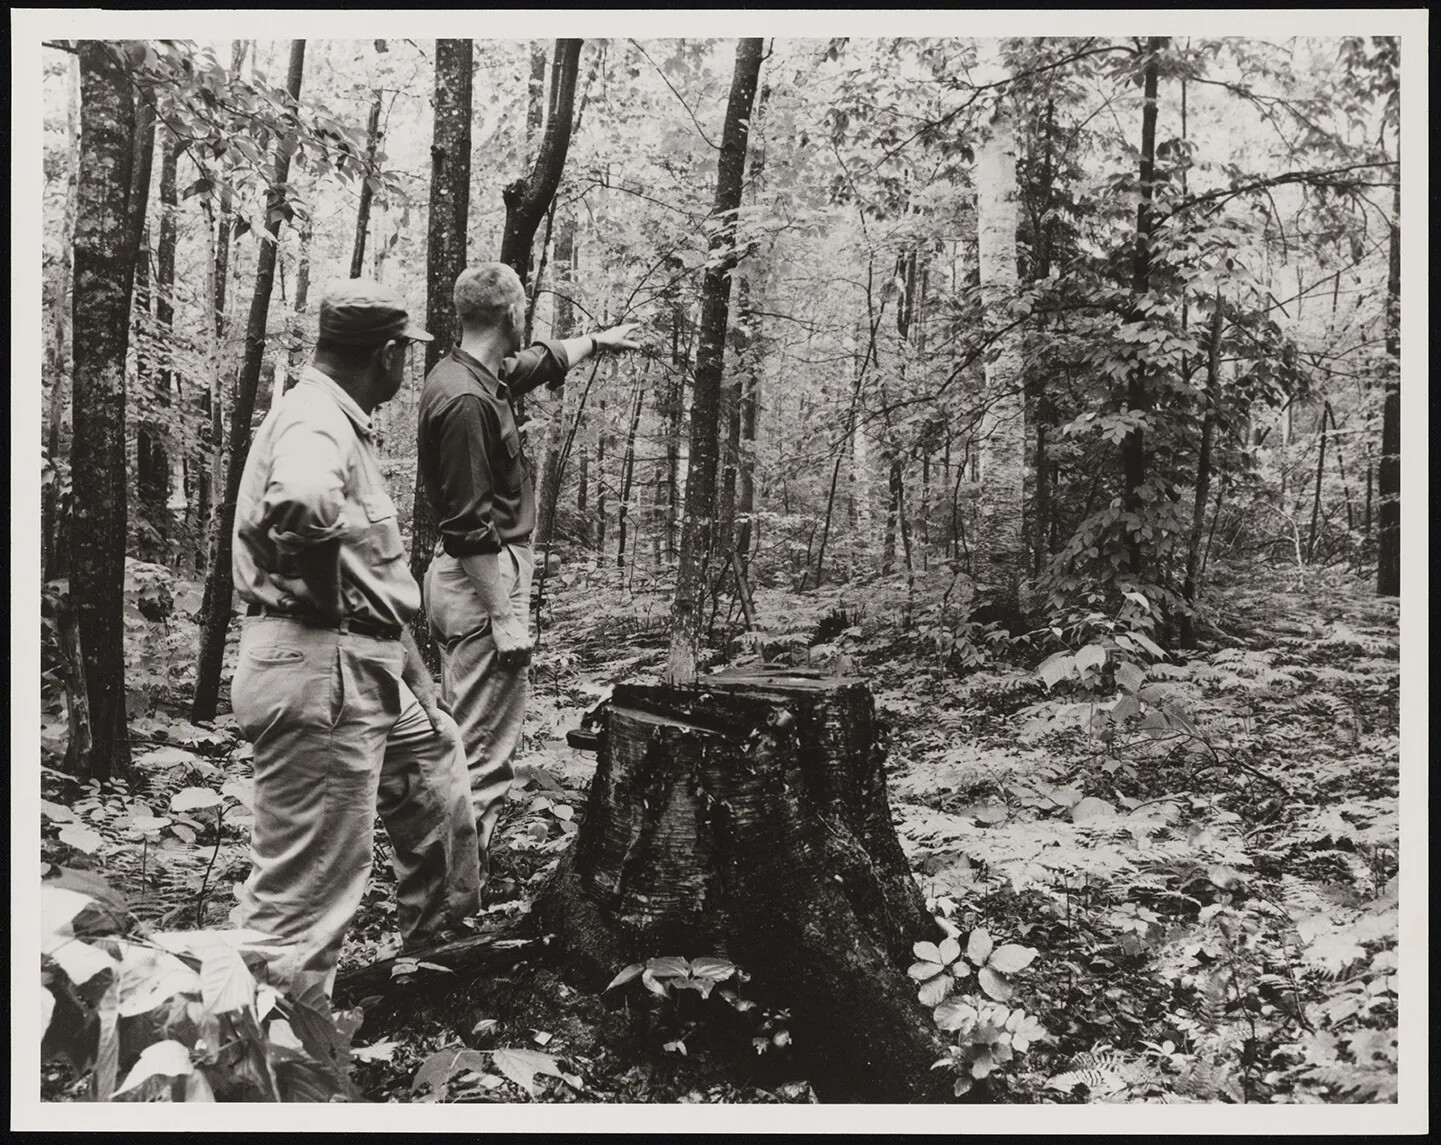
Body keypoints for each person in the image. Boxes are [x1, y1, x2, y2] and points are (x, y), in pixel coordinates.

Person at [229, 279, 482, 995]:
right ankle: (270, 1044)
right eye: (406, 352)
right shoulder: (316, 418)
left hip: (364, 662)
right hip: (323, 668)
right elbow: (303, 505)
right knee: (305, 893)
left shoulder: (340, 418)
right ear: (388, 353)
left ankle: (440, 960)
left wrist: (412, 668)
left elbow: (366, 564)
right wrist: (329, 602)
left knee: (434, 765)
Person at [417, 263, 640, 890]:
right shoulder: (465, 400)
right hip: (480, 583)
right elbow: (468, 524)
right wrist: (504, 615)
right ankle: (451, 908)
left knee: (475, 742)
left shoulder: (476, 375)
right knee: (480, 755)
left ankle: (458, 888)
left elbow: (537, 362)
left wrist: (598, 341)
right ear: (513, 315)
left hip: (474, 581)